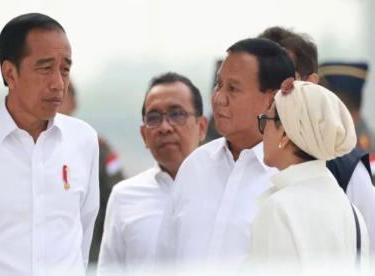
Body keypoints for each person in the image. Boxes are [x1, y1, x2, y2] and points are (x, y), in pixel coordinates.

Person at [0, 13, 99, 276]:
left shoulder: (84, 141)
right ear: (10, 73)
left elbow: (83, 234)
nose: (58, 83)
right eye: (45, 68)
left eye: (65, 69)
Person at [155, 38, 295, 273]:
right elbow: (164, 262)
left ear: (271, 100)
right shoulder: (194, 167)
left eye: (233, 88)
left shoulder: (288, 176)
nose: (218, 98)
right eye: (218, 85)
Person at [259, 26, 375, 262]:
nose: (271, 92)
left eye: (284, 82)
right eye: (261, 79)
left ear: (310, 84)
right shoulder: (210, 161)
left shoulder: (345, 170)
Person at [248, 79, 369, 274]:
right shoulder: (351, 211)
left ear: (285, 134)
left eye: (266, 121)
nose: (263, 133)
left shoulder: (279, 207)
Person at [98, 72, 207, 275]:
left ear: (201, 127)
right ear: (144, 135)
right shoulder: (125, 196)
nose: (165, 127)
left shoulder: (226, 187)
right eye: (154, 118)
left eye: (176, 114)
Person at [58, 81, 125, 263]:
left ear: (73, 104)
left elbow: (117, 196)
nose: (55, 104)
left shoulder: (96, 148)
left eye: (62, 98)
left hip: (90, 254)